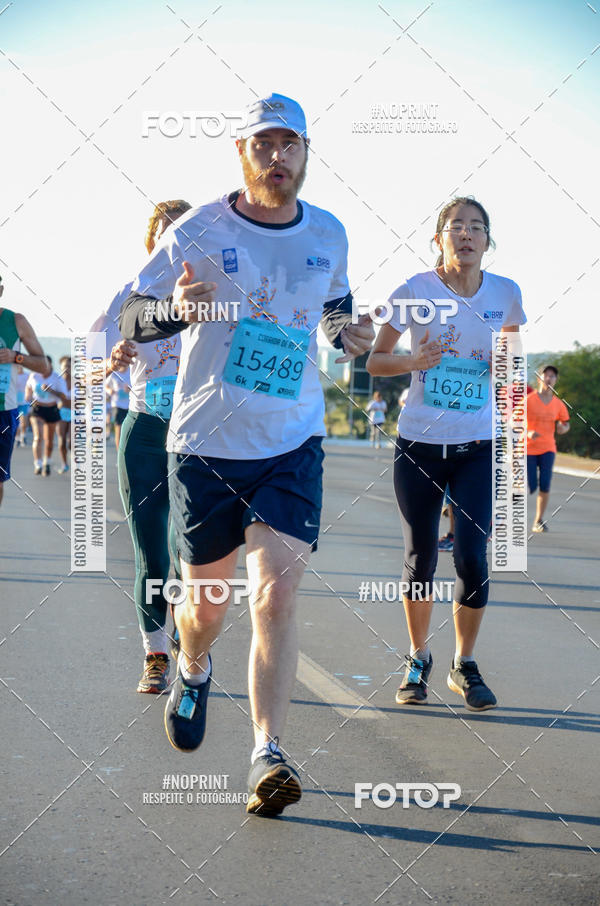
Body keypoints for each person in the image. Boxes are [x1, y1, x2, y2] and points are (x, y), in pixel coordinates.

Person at [119, 93, 375, 816]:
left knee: (277, 591)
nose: (277, 156)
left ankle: (268, 752)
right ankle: (193, 666)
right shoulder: (201, 227)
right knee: (203, 606)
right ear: (241, 151)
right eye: (263, 143)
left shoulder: (328, 231)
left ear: (304, 152)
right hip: (205, 443)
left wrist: (347, 337)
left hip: (292, 439)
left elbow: (335, 312)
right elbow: (136, 317)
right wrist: (178, 308)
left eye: (289, 143)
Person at [367, 195, 526, 712]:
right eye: (455, 226)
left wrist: (502, 370)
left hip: (478, 444)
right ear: (439, 238)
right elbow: (376, 360)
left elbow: (510, 359)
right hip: (419, 444)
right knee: (421, 559)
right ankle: (418, 658)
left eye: (476, 227)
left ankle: (464, 663)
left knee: (473, 557)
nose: (466, 234)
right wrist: (416, 358)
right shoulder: (415, 290)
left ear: (487, 240)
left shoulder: (506, 293)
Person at [90, 199, 192, 695]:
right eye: (167, 235)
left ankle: (191, 639)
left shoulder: (213, 295)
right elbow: (83, 370)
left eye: (185, 234)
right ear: (152, 244)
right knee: (151, 552)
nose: (175, 244)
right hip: (145, 431)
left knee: (188, 555)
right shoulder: (127, 298)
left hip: (199, 436)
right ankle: (156, 653)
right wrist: (110, 360)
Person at [0, 278, 50, 503]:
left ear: (1, 290)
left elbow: (44, 365)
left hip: (4, 410)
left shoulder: (16, 321)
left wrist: (16, 356)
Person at [526, 365, 569, 532]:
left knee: (545, 484)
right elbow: (513, 422)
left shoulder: (558, 404)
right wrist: (528, 432)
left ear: (556, 380)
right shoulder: (528, 400)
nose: (549, 378)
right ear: (540, 378)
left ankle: (538, 520)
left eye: (553, 376)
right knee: (530, 485)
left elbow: (565, 423)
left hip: (548, 448)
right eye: (546, 375)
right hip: (528, 448)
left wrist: (562, 428)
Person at [25, 356, 69, 476]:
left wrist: (51, 391)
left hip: (52, 408)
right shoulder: (34, 376)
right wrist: (27, 396)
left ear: (50, 366)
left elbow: (64, 397)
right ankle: (37, 464)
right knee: (38, 437)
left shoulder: (57, 378)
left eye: (46, 365)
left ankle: (47, 463)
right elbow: (28, 386)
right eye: (41, 365)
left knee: (49, 439)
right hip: (37, 408)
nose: (43, 368)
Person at [105, 370, 130, 450]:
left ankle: (127, 452)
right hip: (117, 404)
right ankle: (119, 455)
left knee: (129, 430)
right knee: (118, 428)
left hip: (130, 405)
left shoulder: (131, 371)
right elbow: (105, 385)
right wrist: (109, 391)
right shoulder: (114, 373)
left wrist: (130, 389)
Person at [56, 356, 72, 473]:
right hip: (61, 413)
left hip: (75, 413)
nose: (67, 368)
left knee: (71, 442)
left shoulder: (79, 381)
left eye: (69, 366)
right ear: (61, 367)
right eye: (65, 366)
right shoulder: (56, 381)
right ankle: (64, 464)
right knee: (61, 442)